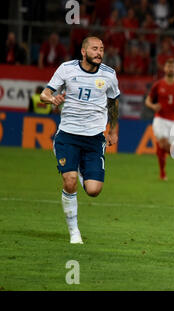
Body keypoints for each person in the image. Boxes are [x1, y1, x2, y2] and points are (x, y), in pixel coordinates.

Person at [40, 36, 120, 244]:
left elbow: (113, 103)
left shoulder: (109, 75)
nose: (99, 52)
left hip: (94, 139)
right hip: (68, 136)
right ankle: (74, 231)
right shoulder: (67, 69)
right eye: (94, 48)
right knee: (69, 181)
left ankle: (81, 171)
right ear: (83, 52)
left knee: (94, 190)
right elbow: (44, 94)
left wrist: (112, 130)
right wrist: (52, 99)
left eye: (102, 49)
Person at [145, 58, 174, 180]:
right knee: (163, 142)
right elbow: (148, 101)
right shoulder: (158, 84)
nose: (170, 69)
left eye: (173, 66)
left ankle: (162, 164)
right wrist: (153, 106)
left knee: (171, 150)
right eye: (168, 66)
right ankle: (162, 172)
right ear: (164, 68)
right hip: (160, 119)